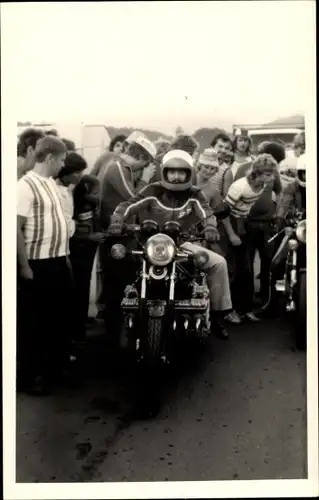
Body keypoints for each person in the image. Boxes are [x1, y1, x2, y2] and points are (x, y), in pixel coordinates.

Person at [109, 149, 233, 340]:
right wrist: (118, 219)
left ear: (188, 173)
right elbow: (130, 204)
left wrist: (210, 227)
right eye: (172, 172)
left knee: (218, 263)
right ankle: (115, 318)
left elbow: (206, 212)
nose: (176, 177)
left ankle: (217, 317)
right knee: (121, 261)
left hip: (183, 244)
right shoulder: (152, 189)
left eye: (181, 172)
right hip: (149, 245)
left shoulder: (195, 193)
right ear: (164, 172)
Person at [17, 135, 73, 395]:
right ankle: (30, 377)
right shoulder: (25, 186)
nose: (63, 165)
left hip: (58, 260)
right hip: (38, 264)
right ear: (50, 158)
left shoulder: (50, 182)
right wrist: (24, 266)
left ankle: (53, 369)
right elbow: (15, 229)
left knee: (57, 318)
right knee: (34, 322)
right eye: (61, 160)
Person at [98, 131, 157, 328]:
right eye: (146, 163)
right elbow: (134, 198)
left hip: (121, 231)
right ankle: (112, 325)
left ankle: (117, 321)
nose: (145, 168)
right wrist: (146, 179)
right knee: (116, 279)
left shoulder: (123, 169)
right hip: (113, 233)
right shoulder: (116, 167)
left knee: (123, 276)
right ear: (141, 157)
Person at [224, 153, 280, 318]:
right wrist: (232, 234)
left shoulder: (263, 186)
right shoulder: (239, 187)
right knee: (239, 271)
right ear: (257, 172)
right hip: (230, 225)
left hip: (243, 224)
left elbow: (245, 209)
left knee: (246, 271)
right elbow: (224, 214)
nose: (272, 177)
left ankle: (245, 310)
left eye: (273, 173)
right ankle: (230, 311)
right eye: (268, 174)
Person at [70, 173, 102, 344]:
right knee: (80, 286)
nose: (98, 197)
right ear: (87, 190)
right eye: (96, 193)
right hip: (79, 249)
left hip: (88, 248)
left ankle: (82, 319)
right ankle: (78, 327)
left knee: (85, 284)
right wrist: (90, 237)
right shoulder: (75, 204)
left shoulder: (91, 203)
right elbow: (71, 230)